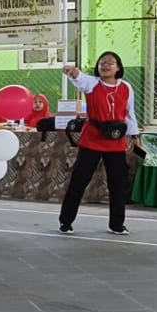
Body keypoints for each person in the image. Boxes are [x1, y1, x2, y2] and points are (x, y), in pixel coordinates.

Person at [59, 51, 141, 235]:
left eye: (110, 63)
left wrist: (135, 135)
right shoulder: (93, 83)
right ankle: (66, 221)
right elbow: (80, 78)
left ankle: (117, 224)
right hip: (92, 140)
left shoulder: (126, 87)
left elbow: (130, 113)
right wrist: (73, 71)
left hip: (115, 141)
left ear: (118, 68)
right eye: (102, 62)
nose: (105, 65)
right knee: (79, 181)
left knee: (117, 184)